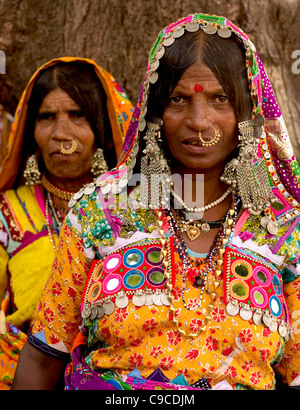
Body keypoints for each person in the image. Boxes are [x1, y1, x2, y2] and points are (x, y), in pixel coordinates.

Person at [12, 14, 300, 390]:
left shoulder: (284, 229)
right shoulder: (101, 214)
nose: (199, 121)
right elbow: (43, 358)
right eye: (178, 99)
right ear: (153, 113)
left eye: (220, 99)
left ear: (248, 114)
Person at [0, 57, 133, 389]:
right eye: (47, 117)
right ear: (31, 131)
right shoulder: (8, 211)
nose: (62, 134)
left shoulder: (132, 209)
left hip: (114, 367)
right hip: (21, 364)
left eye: (78, 115)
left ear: (101, 128)